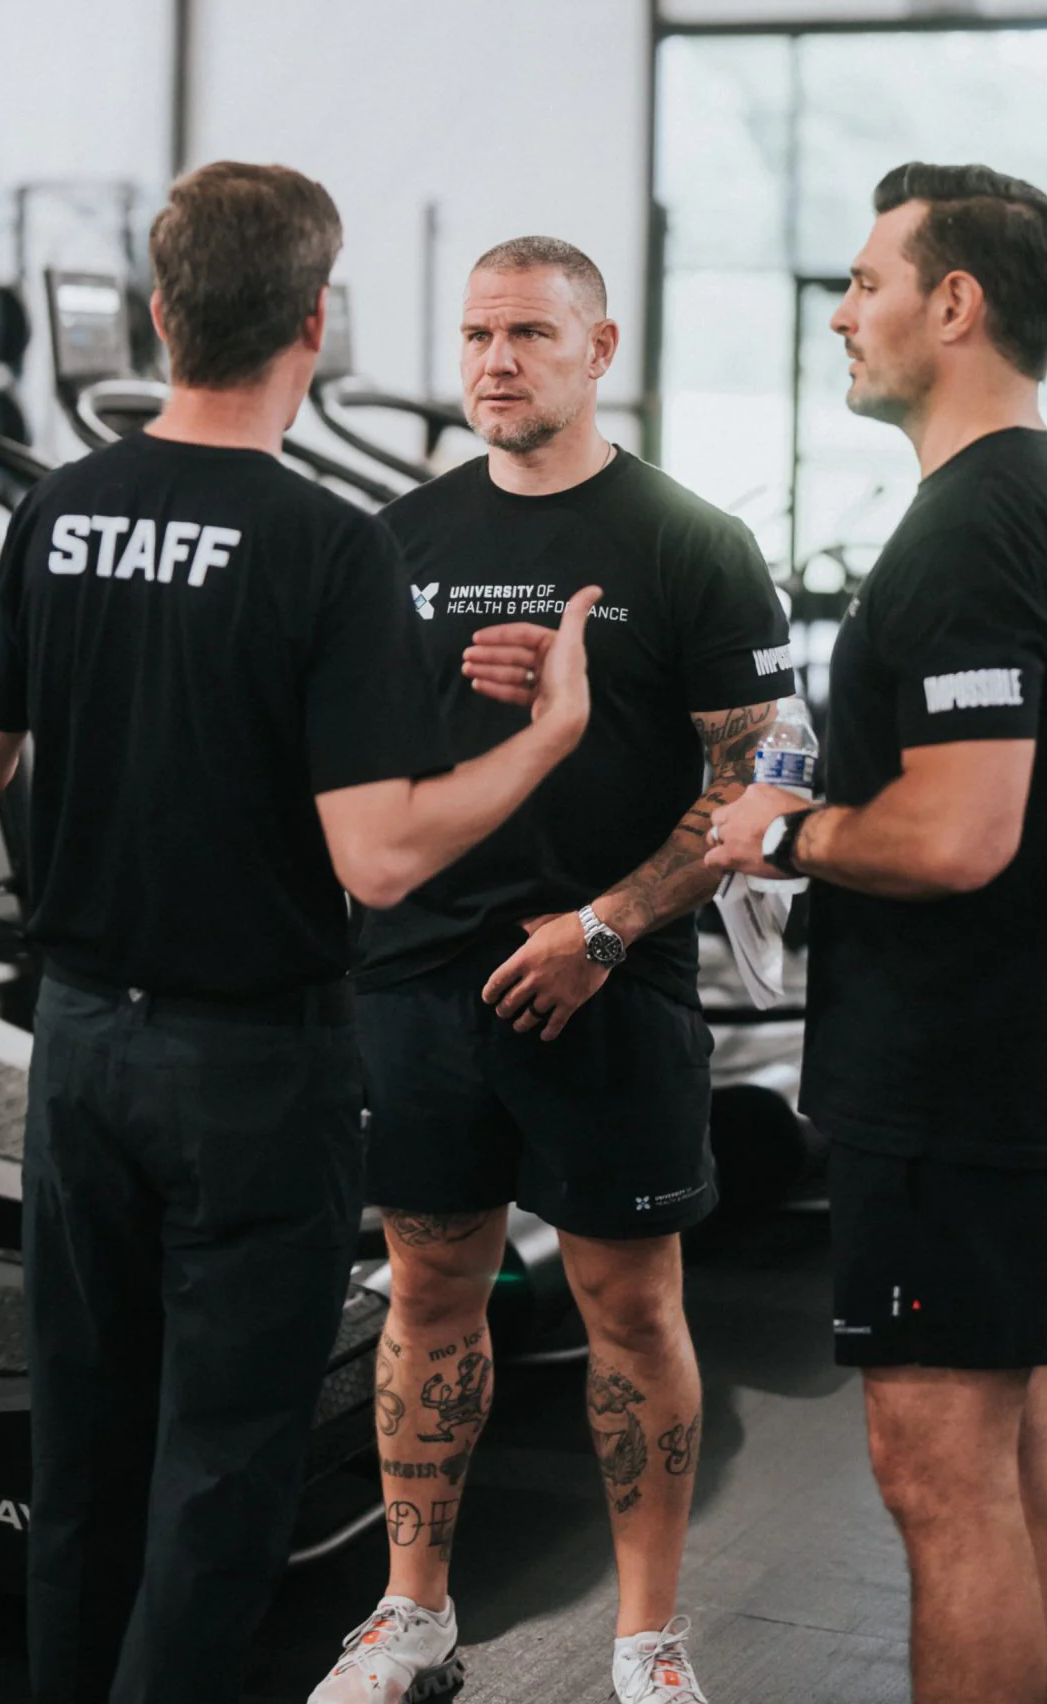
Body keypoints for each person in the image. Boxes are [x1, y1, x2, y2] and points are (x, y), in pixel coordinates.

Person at [0, 164, 599, 1704]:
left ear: (163, 317)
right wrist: (547, 738)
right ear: (313, 323)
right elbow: (376, 862)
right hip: (251, 1068)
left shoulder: (59, 506)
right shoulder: (325, 545)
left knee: (82, 1438)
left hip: (82, 1046)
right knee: (224, 1462)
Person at [310, 236, 795, 1704]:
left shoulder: (688, 541)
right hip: (420, 987)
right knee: (428, 1289)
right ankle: (412, 1616)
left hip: (609, 983)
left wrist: (604, 928)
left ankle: (647, 1640)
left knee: (631, 1308)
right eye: (473, 335)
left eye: (527, 331)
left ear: (601, 348)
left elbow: (758, 782)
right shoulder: (389, 542)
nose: (495, 361)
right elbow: (358, 778)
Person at [707, 163, 1047, 1704]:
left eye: (865, 282)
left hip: (962, 1083)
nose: (839, 313)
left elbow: (961, 834)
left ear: (952, 304)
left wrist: (789, 834)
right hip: (1042, 1061)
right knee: (1026, 1441)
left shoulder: (970, 531)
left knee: (936, 1478)